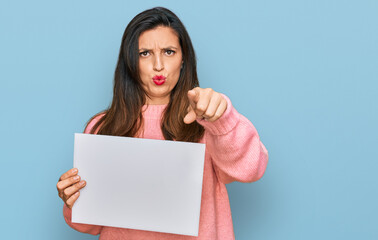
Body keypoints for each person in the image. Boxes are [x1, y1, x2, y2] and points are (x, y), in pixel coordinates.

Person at [56, 6, 269, 240]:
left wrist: (222, 118)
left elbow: (253, 168)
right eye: (145, 53)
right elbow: (92, 226)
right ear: (130, 61)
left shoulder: (206, 120)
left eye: (169, 52)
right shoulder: (103, 127)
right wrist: (73, 199)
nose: (158, 65)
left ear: (183, 59)